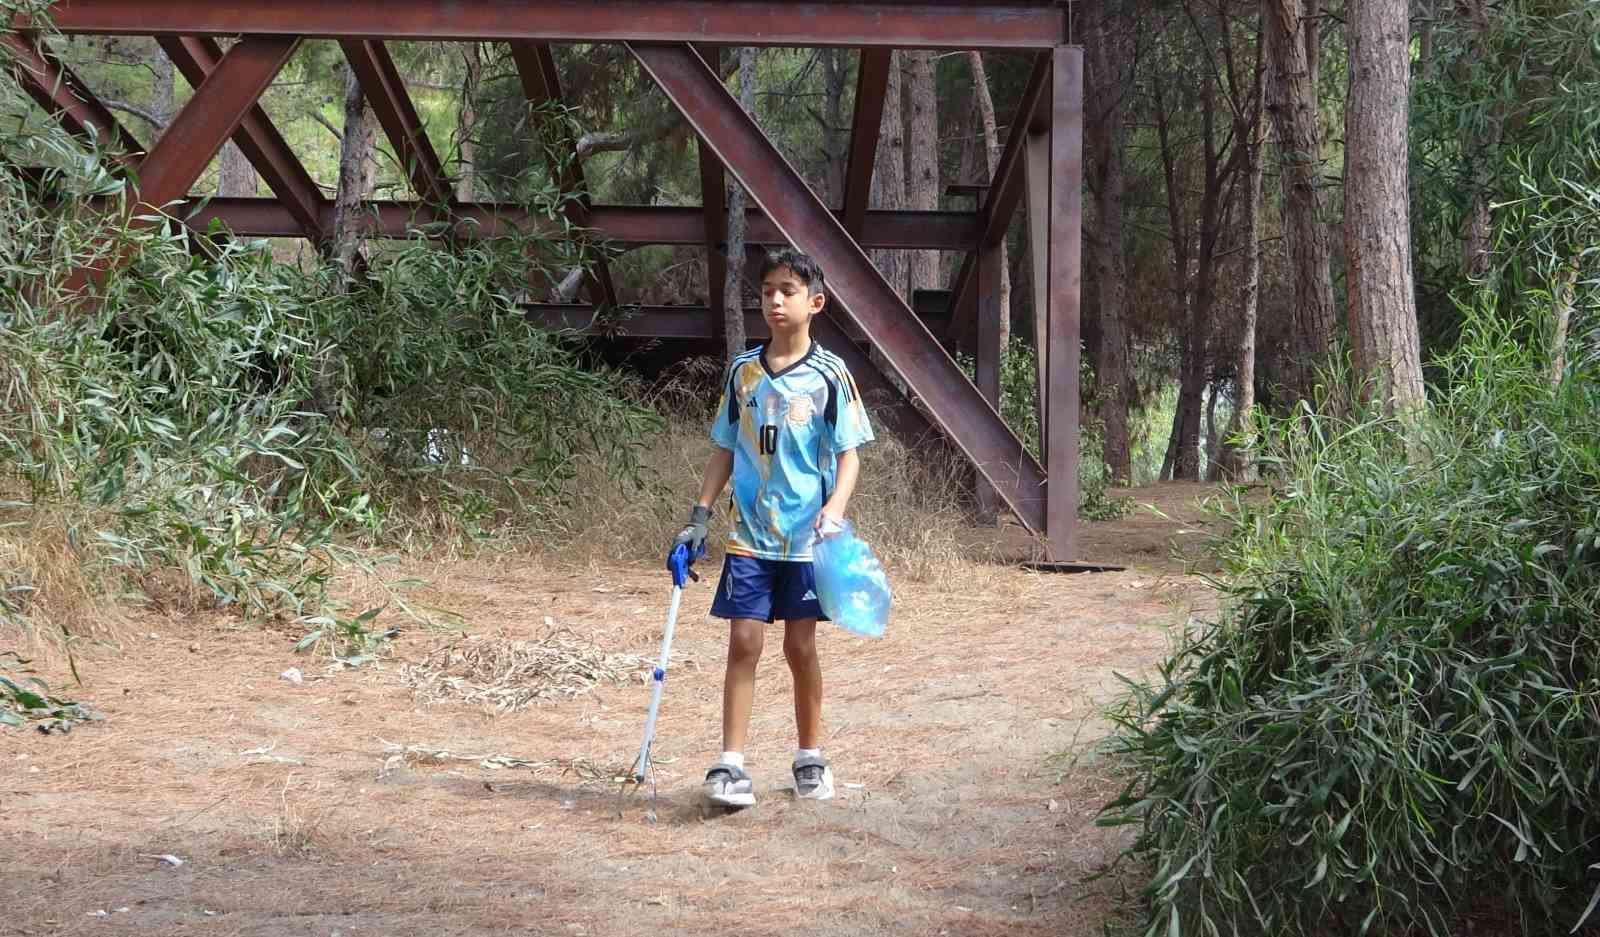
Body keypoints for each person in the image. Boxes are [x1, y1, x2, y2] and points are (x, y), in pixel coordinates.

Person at [670, 247, 874, 807]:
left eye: (787, 290)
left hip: (808, 539)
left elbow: (850, 454)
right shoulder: (743, 373)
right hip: (750, 536)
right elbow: (725, 448)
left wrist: (833, 510)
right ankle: (730, 766)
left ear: (816, 302)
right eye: (766, 292)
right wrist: (700, 514)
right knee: (743, 641)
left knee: (800, 648)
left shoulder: (832, 375)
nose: (775, 301)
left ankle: (810, 756)